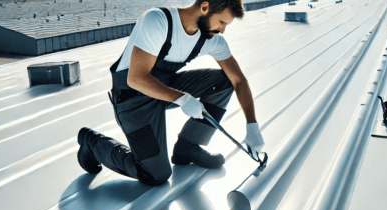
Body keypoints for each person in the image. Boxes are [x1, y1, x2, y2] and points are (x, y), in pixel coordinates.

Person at [76, 0, 264, 185]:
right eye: (222, 22)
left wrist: (252, 125)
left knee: (224, 81)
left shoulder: (212, 40)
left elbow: (238, 80)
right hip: (132, 98)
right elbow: (136, 78)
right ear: (205, 7)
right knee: (155, 174)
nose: (222, 30)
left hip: (164, 87)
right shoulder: (158, 21)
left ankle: (188, 146)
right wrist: (182, 99)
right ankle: (92, 143)